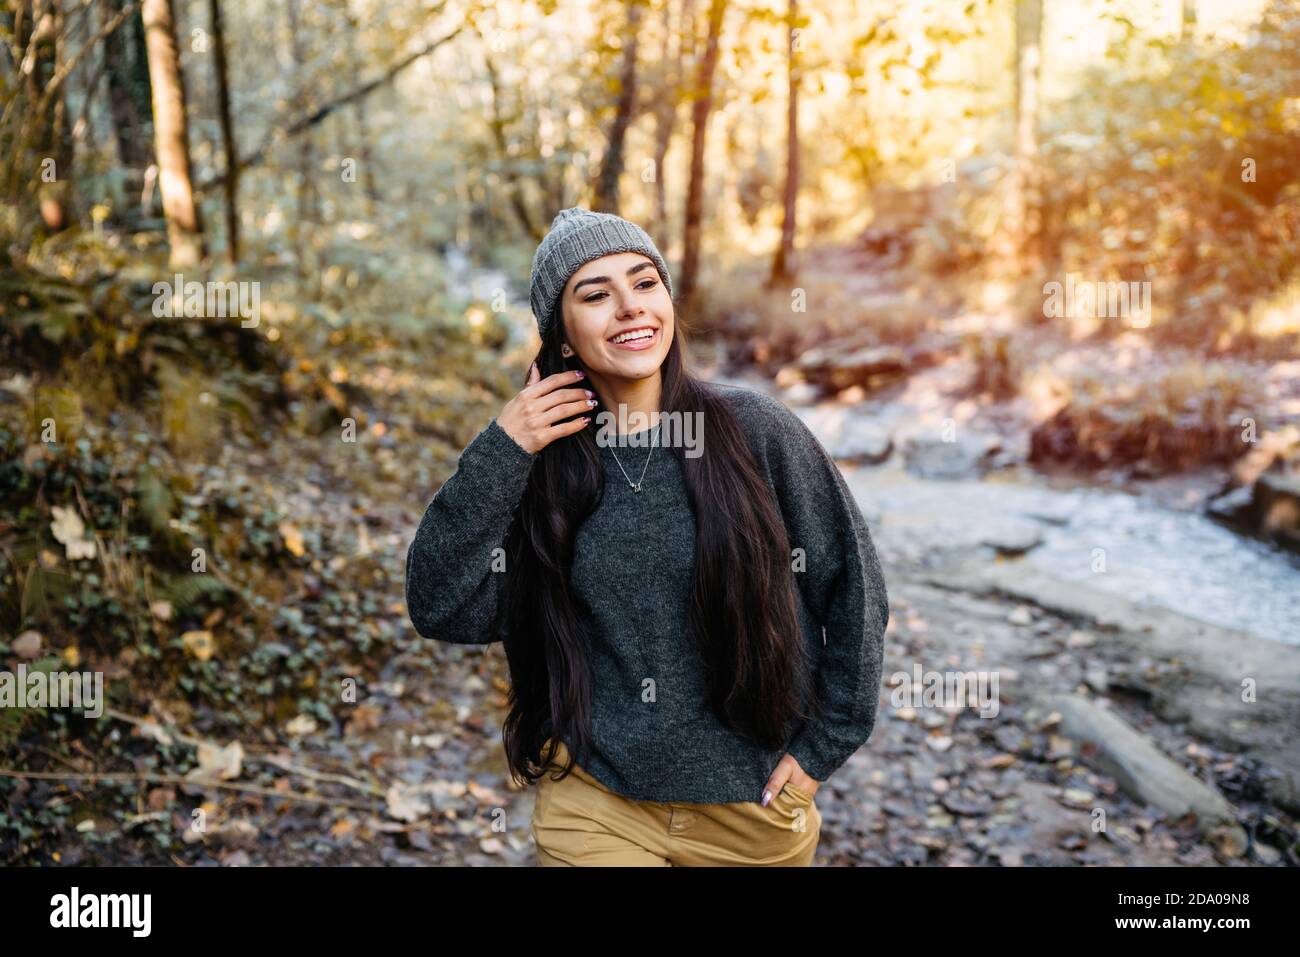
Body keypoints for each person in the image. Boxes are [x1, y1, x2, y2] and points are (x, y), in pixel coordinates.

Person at [405, 206, 890, 866]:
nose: (630, 308)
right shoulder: (540, 466)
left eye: (644, 282)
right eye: (596, 294)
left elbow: (854, 586)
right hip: (596, 801)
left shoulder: (757, 431)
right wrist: (503, 450)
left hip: (751, 804)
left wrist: (825, 743)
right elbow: (443, 606)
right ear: (563, 337)